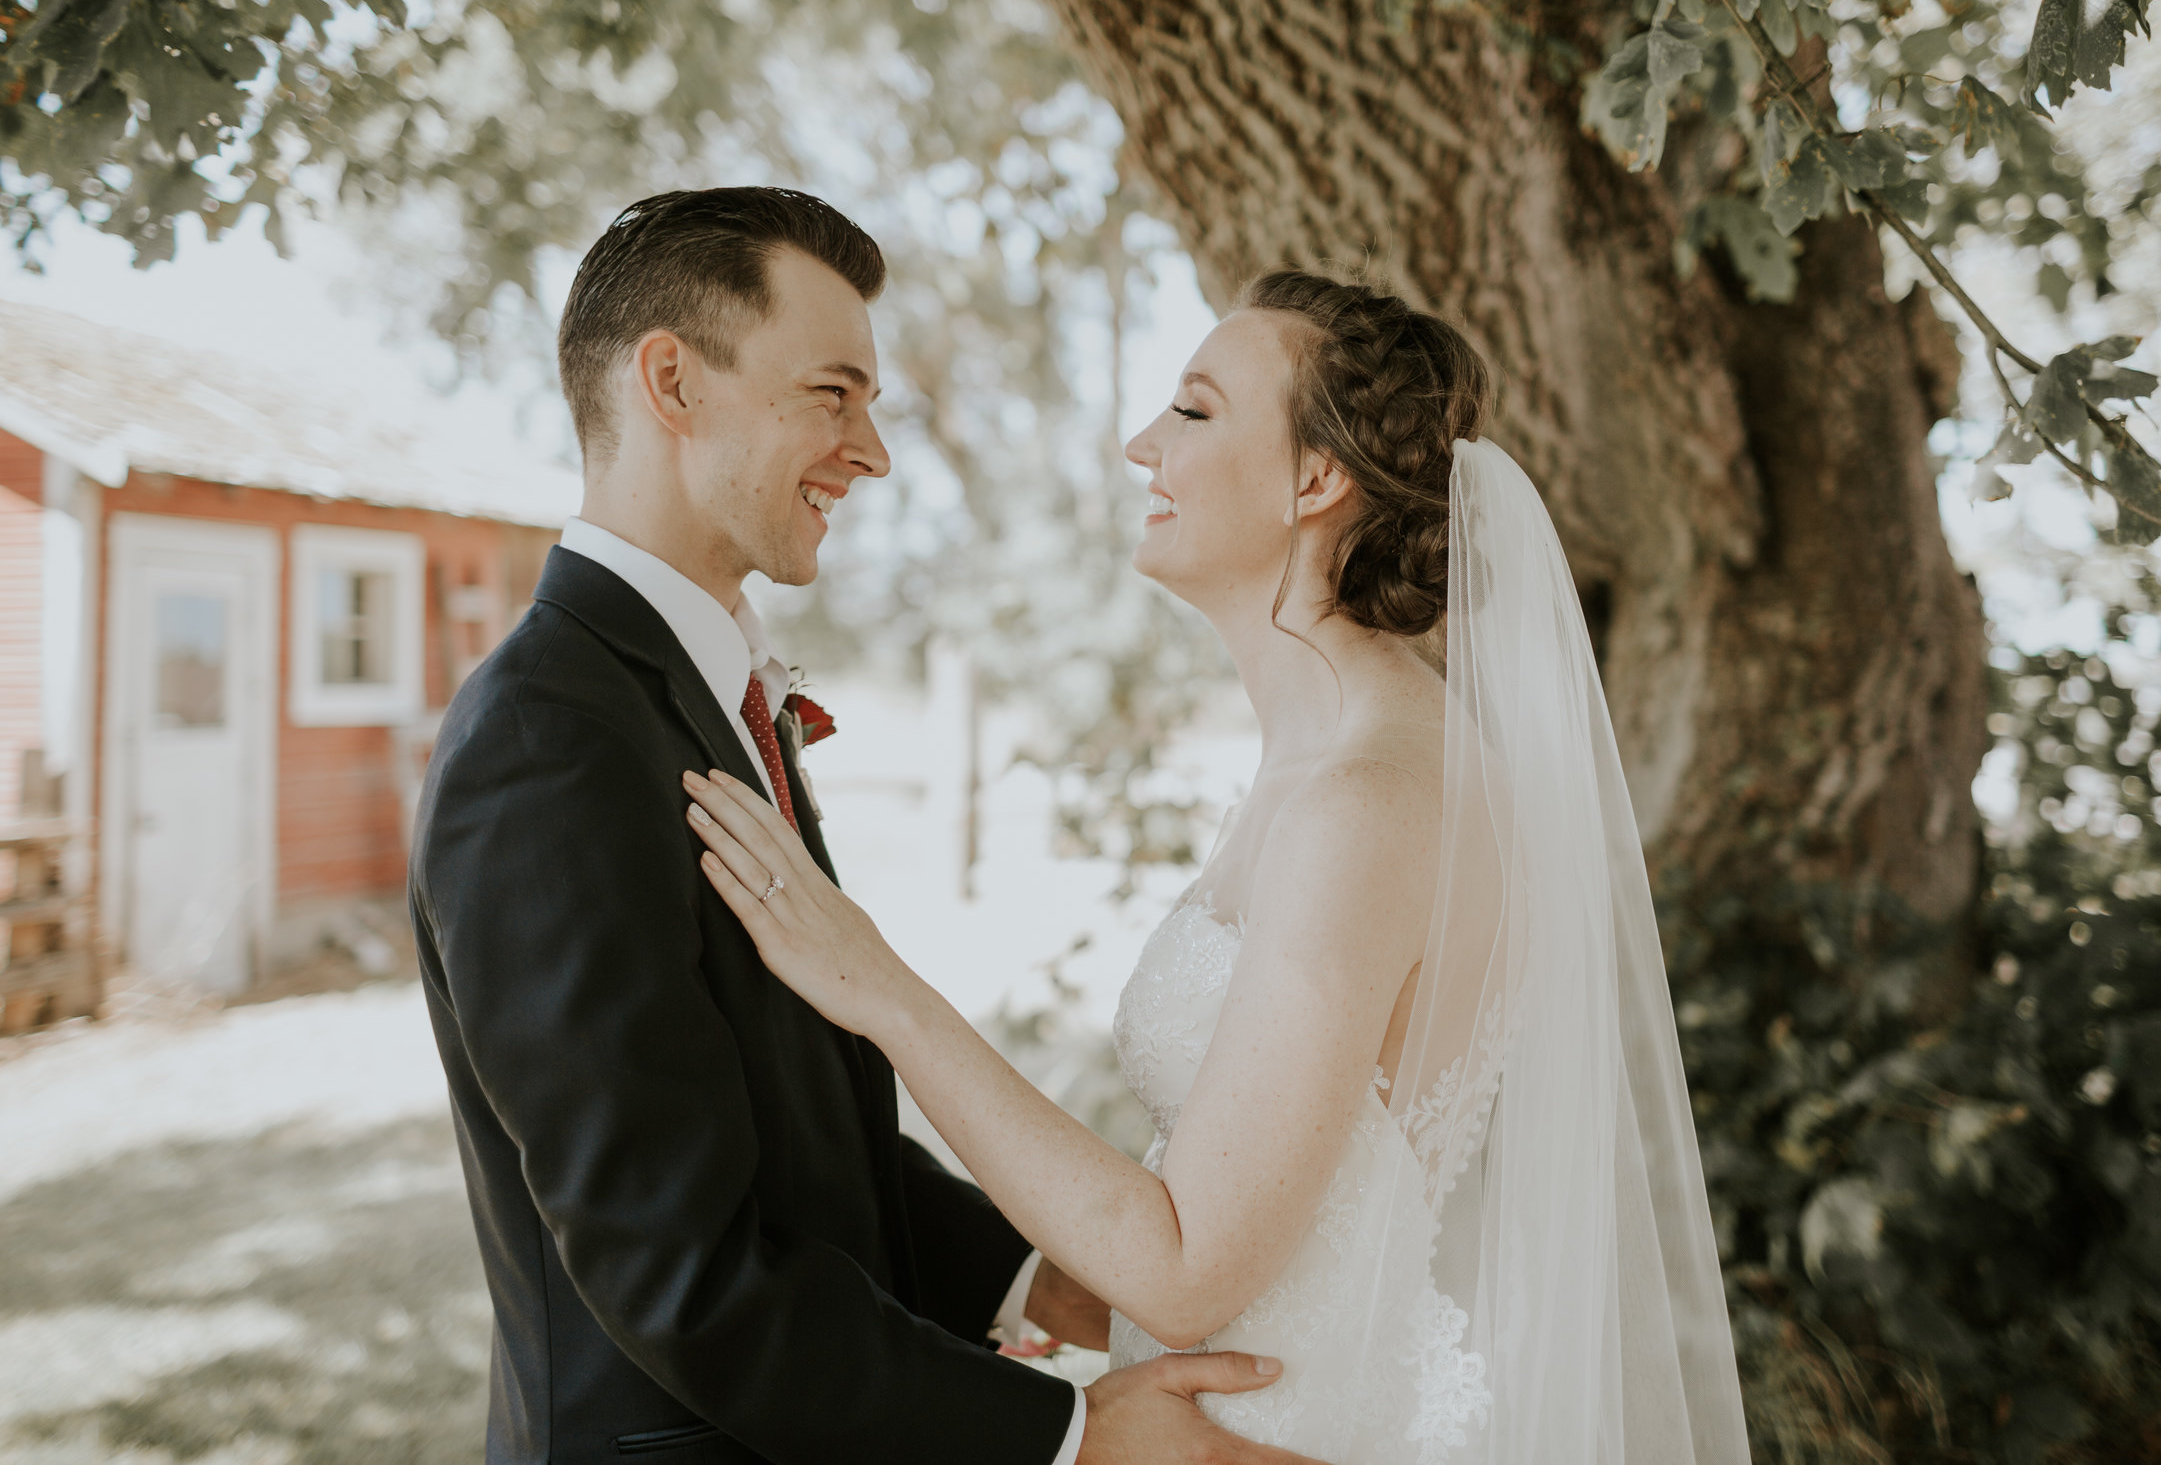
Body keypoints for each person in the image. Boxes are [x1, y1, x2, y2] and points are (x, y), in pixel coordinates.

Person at [682, 270, 1751, 1462]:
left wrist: (884, 992)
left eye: (1191, 410)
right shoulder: (1329, 763)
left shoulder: (1365, 798)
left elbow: (1186, 1265)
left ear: (1314, 477)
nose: (1144, 445)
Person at [410, 186, 1323, 1464]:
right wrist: (1070, 1435)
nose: (874, 450)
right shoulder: (547, 741)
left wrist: (1040, 1280)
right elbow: (678, 1269)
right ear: (671, 382)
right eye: (831, 395)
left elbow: (790, 1129)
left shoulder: (695, 693)